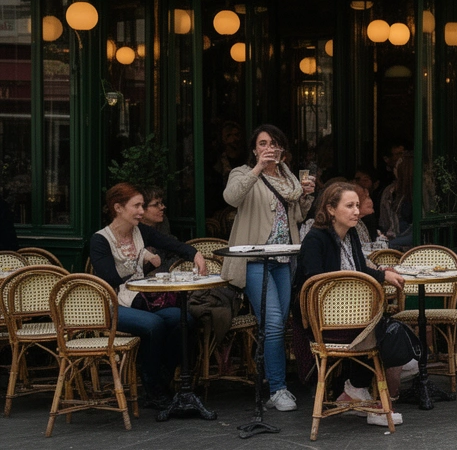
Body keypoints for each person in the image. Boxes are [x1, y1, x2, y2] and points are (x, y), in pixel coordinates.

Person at [293, 182, 407, 426]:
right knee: (384, 332)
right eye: (350, 206)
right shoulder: (316, 239)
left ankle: (357, 391)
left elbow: (359, 270)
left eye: (357, 205)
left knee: (391, 328)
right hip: (323, 320)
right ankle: (360, 392)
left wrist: (383, 273)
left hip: (354, 318)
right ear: (331, 209)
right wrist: (374, 279)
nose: (356, 211)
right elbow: (317, 284)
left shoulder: (352, 234)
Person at [222, 125, 315, 413]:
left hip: (285, 259)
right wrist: (258, 169)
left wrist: (306, 196)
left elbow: (297, 216)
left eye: (273, 143)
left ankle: (272, 381)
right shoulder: (242, 173)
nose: (268, 148)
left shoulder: (289, 177)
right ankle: (277, 388)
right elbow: (231, 198)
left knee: (278, 322)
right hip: (255, 259)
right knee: (273, 322)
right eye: (263, 143)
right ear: (254, 149)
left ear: (282, 149)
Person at [90, 183, 209, 406]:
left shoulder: (140, 232)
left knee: (184, 319)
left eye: (142, 206)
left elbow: (170, 243)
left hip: (140, 300)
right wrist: (140, 257)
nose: (141, 212)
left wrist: (196, 254)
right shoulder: (100, 240)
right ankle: (152, 387)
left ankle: (163, 376)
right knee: (154, 325)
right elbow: (110, 278)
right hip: (115, 305)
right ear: (118, 208)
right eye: (136, 206)